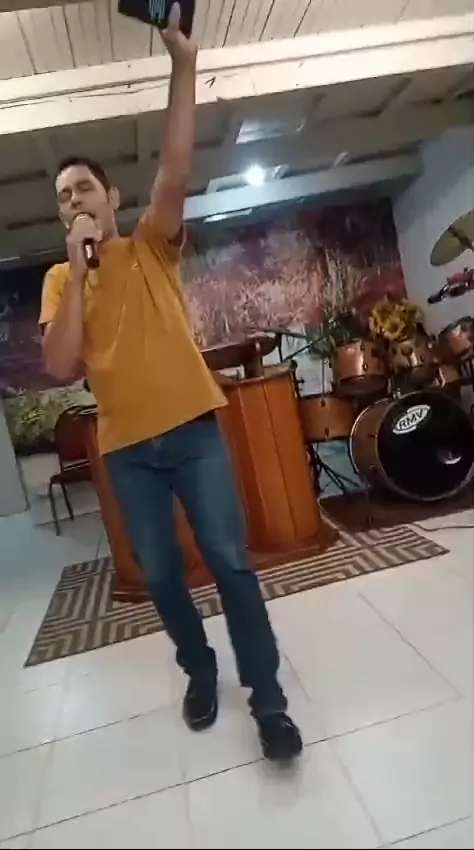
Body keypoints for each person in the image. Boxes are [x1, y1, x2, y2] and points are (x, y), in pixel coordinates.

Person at [39, 3, 302, 762]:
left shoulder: (152, 244)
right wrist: (79, 274)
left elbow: (176, 167)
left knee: (230, 561)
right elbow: (60, 365)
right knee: (161, 575)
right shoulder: (60, 280)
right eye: (63, 197)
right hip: (127, 451)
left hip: (192, 433)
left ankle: (270, 702)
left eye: (84, 189)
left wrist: (183, 63)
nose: (74, 201)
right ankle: (199, 669)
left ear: (111, 200)